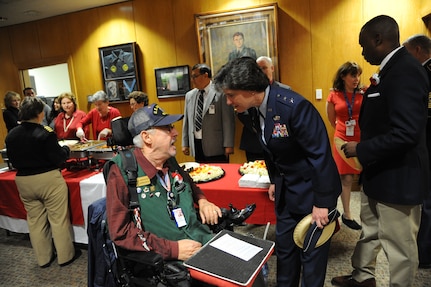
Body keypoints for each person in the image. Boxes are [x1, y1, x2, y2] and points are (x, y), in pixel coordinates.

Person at [213, 57, 342, 287]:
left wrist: (323, 202)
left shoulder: (294, 107)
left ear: (252, 89)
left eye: (232, 94)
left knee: (311, 262)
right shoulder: (252, 110)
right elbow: (271, 149)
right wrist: (274, 180)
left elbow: (321, 156)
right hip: (286, 192)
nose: (229, 101)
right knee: (285, 256)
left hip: (313, 195)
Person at [331, 15, 429, 287]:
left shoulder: (405, 70)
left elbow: (406, 133)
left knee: (399, 246)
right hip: (379, 172)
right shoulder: (388, 70)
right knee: (370, 231)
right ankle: (362, 277)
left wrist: (361, 148)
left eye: (364, 46)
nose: (362, 52)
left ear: (379, 39)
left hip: (399, 177)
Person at [106, 103, 223, 261]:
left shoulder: (170, 160)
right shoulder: (122, 170)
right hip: (168, 261)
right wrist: (172, 249)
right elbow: (121, 232)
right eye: (168, 128)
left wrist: (202, 201)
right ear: (147, 137)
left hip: (201, 238)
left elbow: (188, 183)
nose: (175, 133)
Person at [5, 96, 80, 268]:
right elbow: (58, 158)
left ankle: (44, 258)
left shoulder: (11, 135)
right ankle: (65, 256)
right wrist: (66, 149)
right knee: (58, 219)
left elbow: (13, 161)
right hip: (47, 179)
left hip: (23, 180)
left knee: (35, 220)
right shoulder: (45, 132)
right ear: (39, 114)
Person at [403, 34, 431, 269]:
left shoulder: (424, 72)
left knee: (427, 204)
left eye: (407, 51)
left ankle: (425, 254)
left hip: (427, 145)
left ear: (419, 49)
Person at [326, 61, 364, 230]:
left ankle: (368, 213)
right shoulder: (334, 94)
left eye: (358, 75)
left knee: (364, 177)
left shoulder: (364, 93)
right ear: (343, 77)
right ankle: (347, 214)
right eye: (353, 75)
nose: (356, 79)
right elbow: (331, 118)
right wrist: (342, 130)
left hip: (362, 138)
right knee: (346, 178)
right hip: (342, 138)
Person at [237, 56, 291, 162]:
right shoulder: (246, 90)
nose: (261, 72)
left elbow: (287, 113)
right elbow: (242, 111)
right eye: (258, 69)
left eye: (264, 68)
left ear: (272, 68)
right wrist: (257, 126)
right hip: (254, 142)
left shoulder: (285, 90)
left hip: (278, 141)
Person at [182, 63, 235, 163]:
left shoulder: (221, 93)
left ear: (205, 75)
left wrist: (228, 145)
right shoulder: (189, 95)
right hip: (196, 144)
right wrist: (185, 143)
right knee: (201, 174)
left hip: (216, 145)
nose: (192, 80)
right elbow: (187, 121)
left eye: (195, 76)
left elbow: (228, 121)